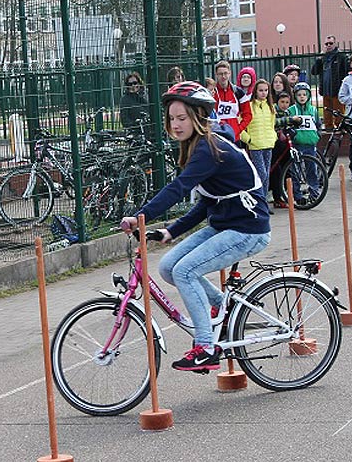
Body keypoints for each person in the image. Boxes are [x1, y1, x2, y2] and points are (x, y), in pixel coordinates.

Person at [120, 81, 271, 372]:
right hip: (225, 224)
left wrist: (141, 215)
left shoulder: (208, 148)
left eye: (182, 118)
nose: (175, 125)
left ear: (199, 117)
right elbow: (206, 203)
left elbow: (178, 189)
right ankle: (218, 305)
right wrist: (170, 232)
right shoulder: (196, 146)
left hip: (248, 229)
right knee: (168, 267)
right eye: (171, 119)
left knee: (185, 271)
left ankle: (205, 347)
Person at [239, 79, 277, 206]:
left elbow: (272, 124)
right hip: (255, 145)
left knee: (266, 174)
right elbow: (240, 124)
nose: (264, 93)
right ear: (255, 91)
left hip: (268, 144)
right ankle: (258, 198)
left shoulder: (270, 106)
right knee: (261, 173)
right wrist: (248, 139)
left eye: (266, 90)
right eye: (261, 90)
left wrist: (273, 137)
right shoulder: (249, 106)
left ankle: (263, 201)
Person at [288, 82, 322, 204]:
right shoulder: (292, 110)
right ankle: (296, 194)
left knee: (311, 168)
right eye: (299, 95)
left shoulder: (313, 110)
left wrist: (318, 134)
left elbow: (318, 124)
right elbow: (288, 125)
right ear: (295, 96)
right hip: (298, 143)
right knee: (296, 170)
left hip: (310, 143)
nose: (302, 97)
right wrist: (293, 134)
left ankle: (314, 191)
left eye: (304, 94)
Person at [310, 35, 349, 129]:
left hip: (337, 89)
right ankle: (328, 127)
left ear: (335, 44)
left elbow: (347, 70)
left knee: (339, 110)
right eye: (326, 44)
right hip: (325, 89)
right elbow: (314, 71)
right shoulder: (323, 58)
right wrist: (319, 59)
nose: (328, 45)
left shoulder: (341, 56)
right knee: (327, 111)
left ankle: (340, 127)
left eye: (330, 43)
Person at [213, 60, 253, 148]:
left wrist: (238, 129)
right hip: (217, 137)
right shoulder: (212, 93)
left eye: (225, 73)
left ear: (230, 73)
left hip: (235, 137)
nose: (223, 76)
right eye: (220, 74)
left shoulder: (238, 92)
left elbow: (248, 115)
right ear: (216, 75)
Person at [270, 91, 298, 208]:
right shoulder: (273, 111)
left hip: (285, 144)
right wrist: (290, 120)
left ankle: (288, 195)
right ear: (277, 102)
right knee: (276, 169)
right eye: (282, 102)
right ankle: (277, 197)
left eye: (287, 102)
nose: (285, 104)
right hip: (275, 144)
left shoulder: (287, 112)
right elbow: (274, 123)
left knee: (287, 169)